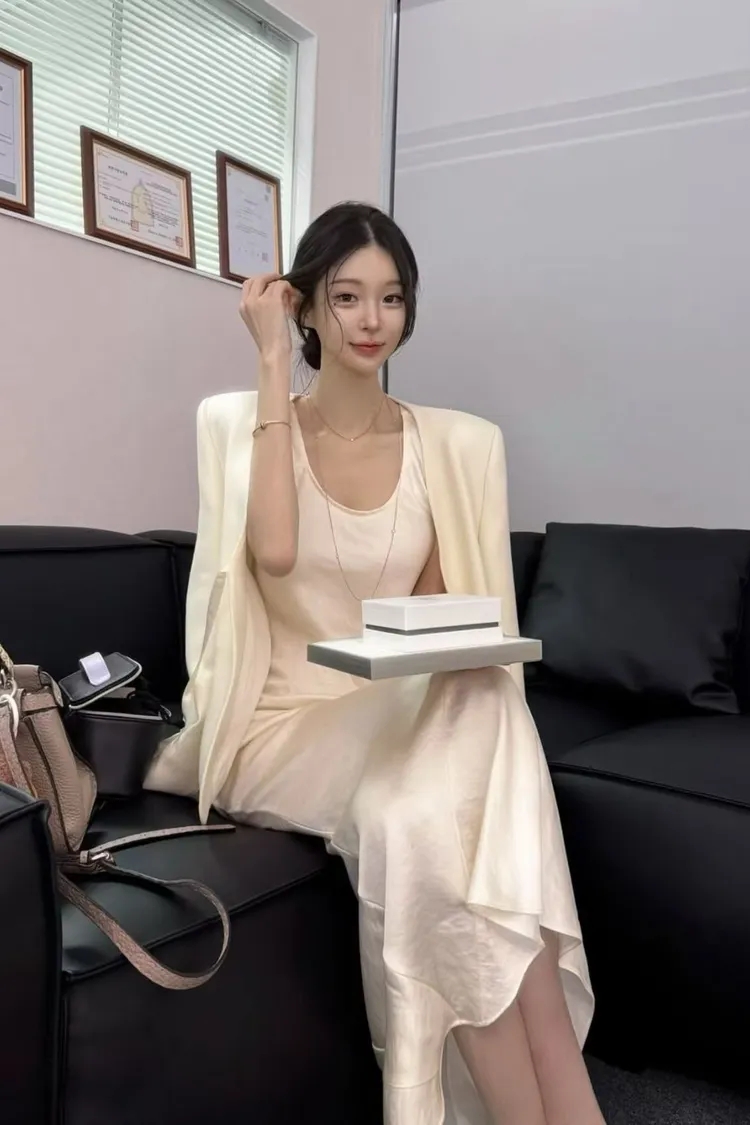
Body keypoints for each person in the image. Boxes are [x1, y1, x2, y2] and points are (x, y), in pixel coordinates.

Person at [146, 202, 606, 1125]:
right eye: (346, 296)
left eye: (390, 298)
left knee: (450, 758)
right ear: (305, 306)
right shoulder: (243, 424)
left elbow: (431, 628)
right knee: (445, 800)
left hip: (389, 713)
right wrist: (270, 364)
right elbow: (275, 554)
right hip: (279, 722)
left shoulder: (450, 447)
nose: (371, 320)